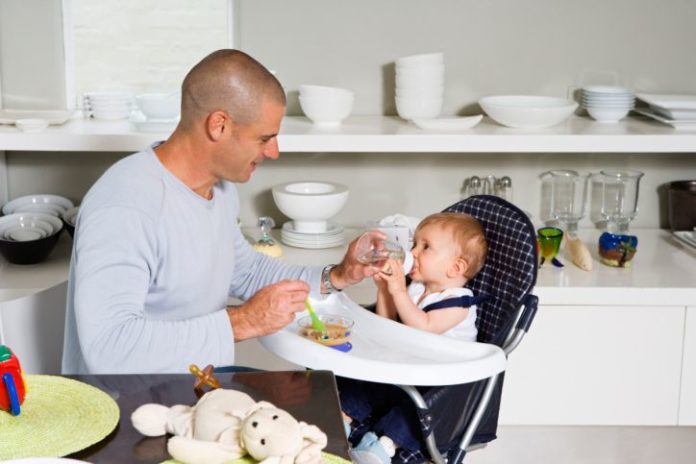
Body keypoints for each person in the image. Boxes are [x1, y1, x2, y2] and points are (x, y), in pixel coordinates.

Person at [61, 49, 378, 375]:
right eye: (264, 138)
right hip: (127, 406)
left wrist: (336, 276)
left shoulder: (220, 189)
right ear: (219, 125)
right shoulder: (126, 207)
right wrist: (244, 321)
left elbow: (246, 273)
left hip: (194, 382)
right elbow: (109, 348)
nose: (274, 151)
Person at [339, 212, 488, 464]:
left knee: (413, 411)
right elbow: (390, 328)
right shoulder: (417, 289)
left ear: (456, 267)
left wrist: (397, 290)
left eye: (425, 247)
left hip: (437, 385)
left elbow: (424, 328)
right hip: (408, 370)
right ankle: (340, 422)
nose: (414, 253)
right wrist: (385, 291)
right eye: (414, 244)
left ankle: (381, 447)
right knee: (361, 383)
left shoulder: (459, 302)